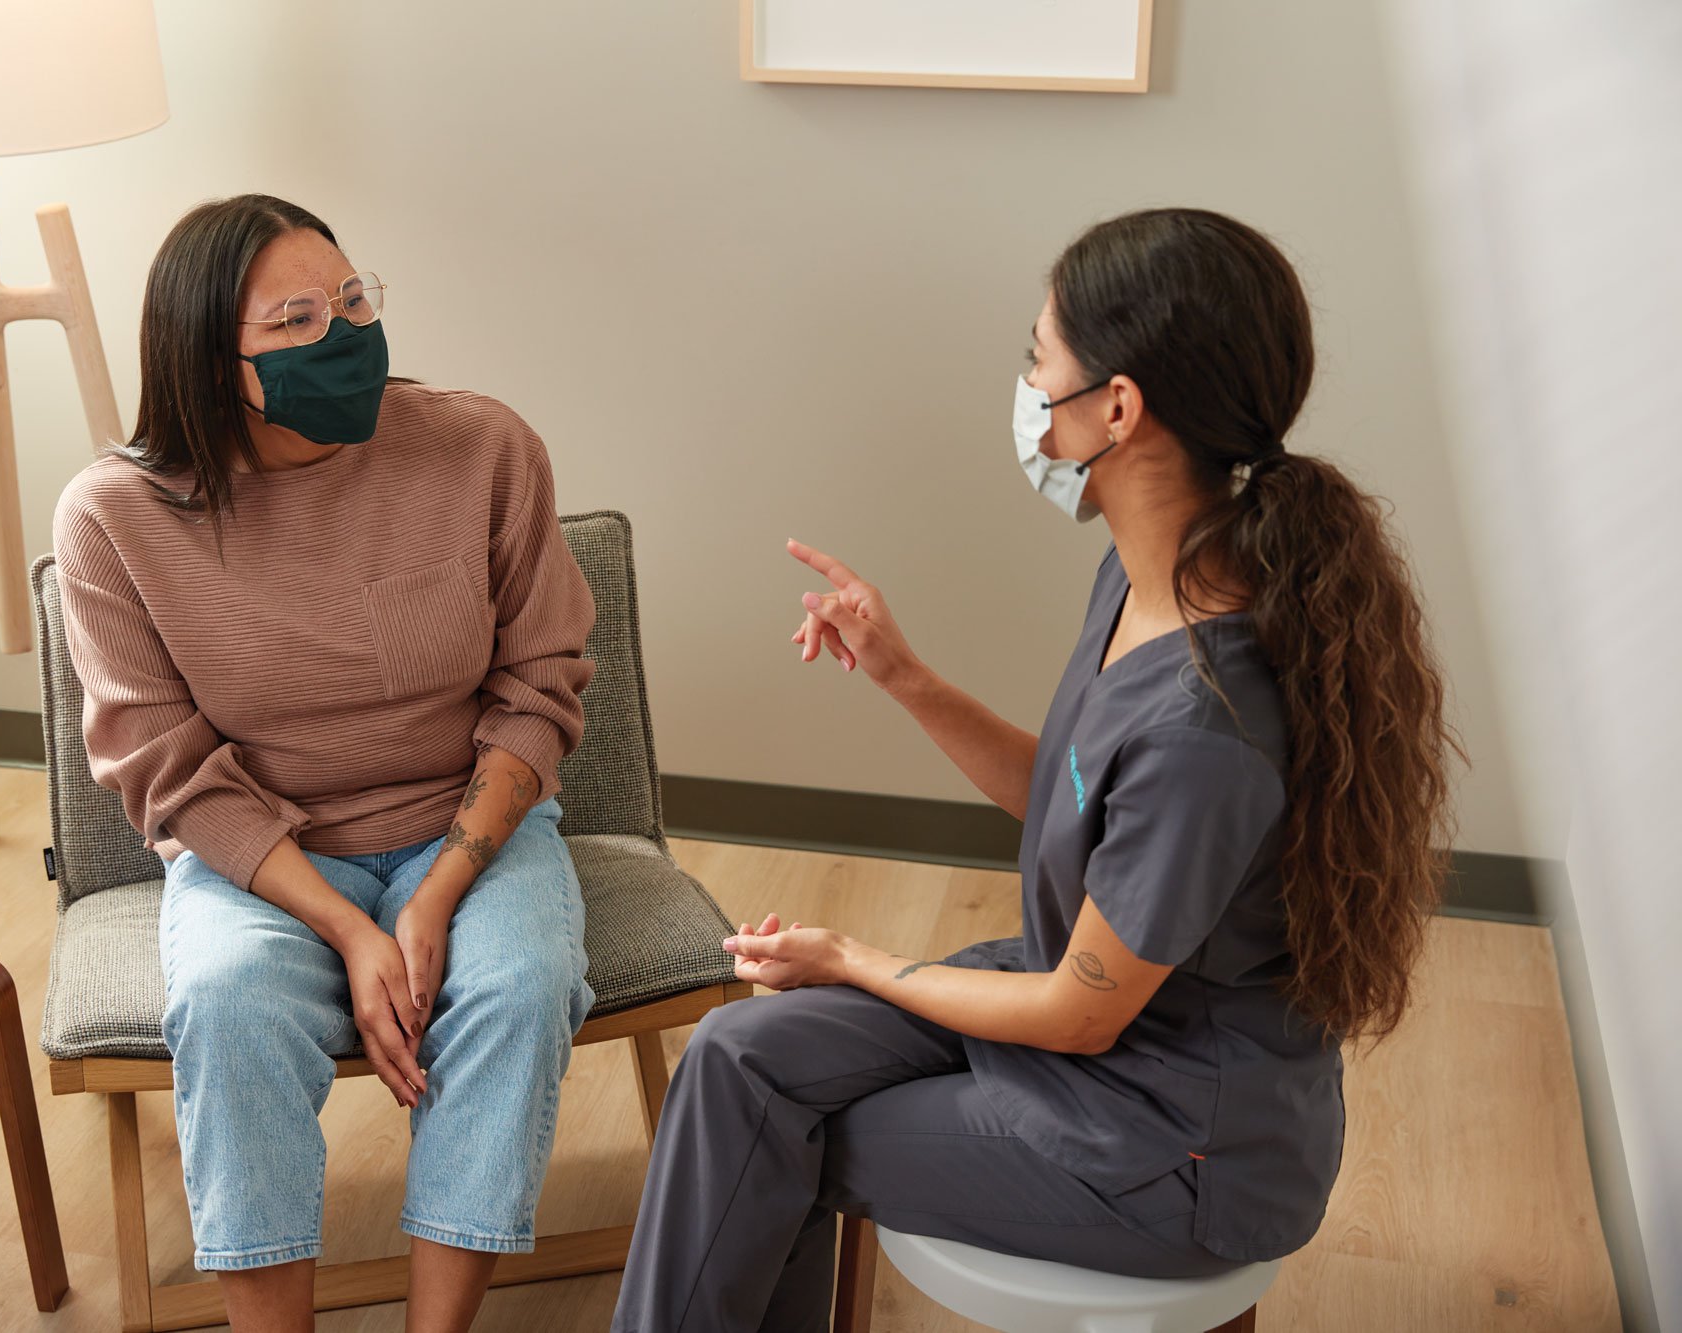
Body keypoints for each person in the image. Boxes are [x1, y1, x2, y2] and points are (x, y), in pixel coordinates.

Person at [612, 207, 1464, 1332]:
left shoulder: (1208, 719)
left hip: (1164, 1138)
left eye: (1037, 359)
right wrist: (903, 675)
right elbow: (1074, 802)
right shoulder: (1147, 583)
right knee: (734, 1058)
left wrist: (856, 958)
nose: (1025, 388)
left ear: (1117, 407)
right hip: (1094, 1027)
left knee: (765, 1126)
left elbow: (1077, 1015)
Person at [52, 194, 597, 1333]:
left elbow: (538, 688)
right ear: (210, 362)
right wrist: (351, 929)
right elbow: (165, 767)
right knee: (225, 1000)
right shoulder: (113, 517)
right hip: (262, 852)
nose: (342, 336)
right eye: (295, 321)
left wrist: (440, 888)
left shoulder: (481, 447)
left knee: (518, 984)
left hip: (468, 824)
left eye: (352, 300)